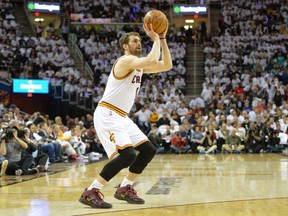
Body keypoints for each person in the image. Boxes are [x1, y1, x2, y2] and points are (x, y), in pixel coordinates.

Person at [79, 22, 172, 209]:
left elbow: (167, 65)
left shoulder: (137, 66)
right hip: (108, 113)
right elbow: (152, 60)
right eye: (135, 41)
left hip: (121, 116)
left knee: (148, 150)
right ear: (125, 46)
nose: (139, 43)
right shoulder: (124, 61)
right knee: (127, 155)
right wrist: (155, 39)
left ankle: (125, 187)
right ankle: (91, 191)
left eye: (140, 40)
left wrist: (162, 39)